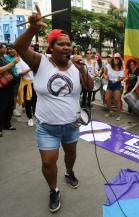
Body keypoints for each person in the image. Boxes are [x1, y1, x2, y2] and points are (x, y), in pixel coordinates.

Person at [14, 5, 94, 213]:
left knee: (70, 155)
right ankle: (53, 189)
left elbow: (90, 87)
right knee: (49, 163)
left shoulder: (76, 66)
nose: (67, 47)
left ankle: (69, 172)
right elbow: (19, 47)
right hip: (47, 126)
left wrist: (83, 68)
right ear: (51, 47)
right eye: (61, 44)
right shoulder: (40, 62)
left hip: (71, 124)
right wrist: (33, 29)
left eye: (69, 44)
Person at [0, 43, 20, 137]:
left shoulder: (3, 57)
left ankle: (7, 124)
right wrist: (13, 63)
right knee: (2, 106)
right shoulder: (3, 58)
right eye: (5, 48)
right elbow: (1, 70)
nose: (7, 50)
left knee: (9, 105)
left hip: (9, 84)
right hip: (2, 85)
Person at [16, 57, 37, 127]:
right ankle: (30, 118)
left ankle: (36, 116)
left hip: (35, 83)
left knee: (35, 101)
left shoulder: (32, 59)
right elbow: (20, 74)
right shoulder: (19, 61)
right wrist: (30, 69)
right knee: (27, 102)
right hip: (26, 84)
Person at [104, 52, 124, 121]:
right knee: (107, 98)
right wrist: (106, 77)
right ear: (113, 58)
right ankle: (110, 111)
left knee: (116, 100)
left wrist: (117, 80)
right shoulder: (108, 66)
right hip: (110, 83)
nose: (116, 59)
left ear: (120, 60)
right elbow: (105, 73)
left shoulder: (121, 67)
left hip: (117, 84)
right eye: (115, 58)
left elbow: (122, 77)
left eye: (118, 58)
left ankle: (119, 114)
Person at [5, 44, 22, 117]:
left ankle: (14, 109)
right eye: (8, 49)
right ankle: (6, 110)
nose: (9, 50)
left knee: (15, 94)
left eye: (11, 49)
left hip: (17, 78)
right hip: (7, 79)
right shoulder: (5, 57)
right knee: (7, 95)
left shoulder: (20, 58)